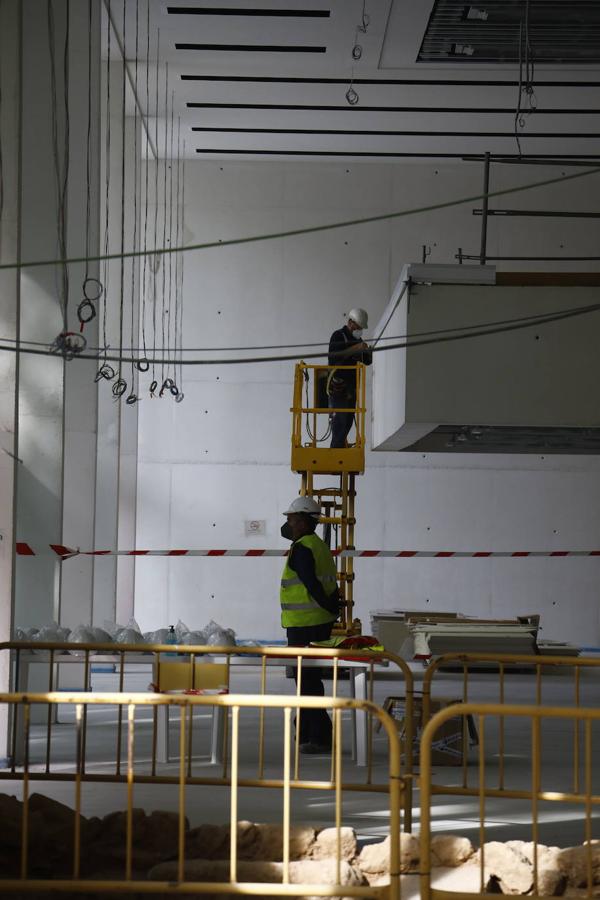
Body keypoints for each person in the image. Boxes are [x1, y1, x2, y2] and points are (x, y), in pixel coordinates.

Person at [280, 495, 341, 754]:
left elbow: (312, 584)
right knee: (309, 679)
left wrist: (327, 607)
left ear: (305, 522)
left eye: (292, 520)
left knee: (306, 681)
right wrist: (332, 610)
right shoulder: (319, 545)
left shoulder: (302, 548)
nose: (289, 525)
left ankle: (319, 735)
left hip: (304, 624)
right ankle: (306, 730)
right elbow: (330, 584)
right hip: (318, 622)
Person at [327, 308, 372, 448]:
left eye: (361, 328)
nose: (360, 330)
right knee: (339, 420)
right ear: (350, 323)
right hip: (338, 386)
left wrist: (368, 351)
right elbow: (334, 357)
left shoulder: (358, 340)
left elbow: (367, 361)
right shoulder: (338, 336)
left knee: (348, 421)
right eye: (358, 327)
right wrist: (356, 348)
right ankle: (335, 452)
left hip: (351, 387)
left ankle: (339, 449)